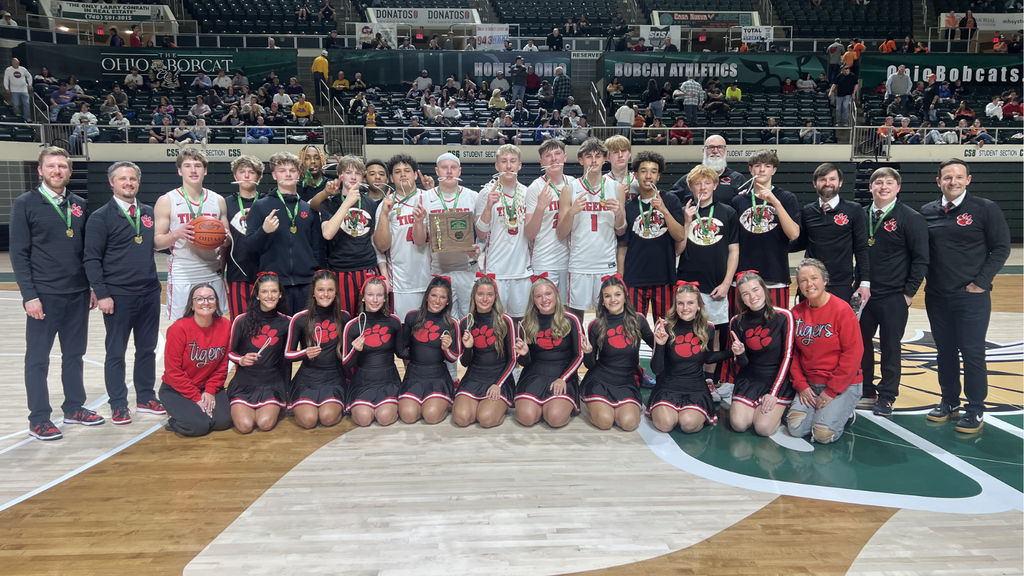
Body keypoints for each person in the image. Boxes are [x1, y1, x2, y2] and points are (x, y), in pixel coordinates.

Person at [11, 147, 102, 440]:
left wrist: (90, 285)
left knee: (74, 355)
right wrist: (29, 294)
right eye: (51, 166)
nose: (57, 171)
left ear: (70, 171)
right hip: (44, 295)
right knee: (38, 359)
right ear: (40, 170)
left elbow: (85, 251)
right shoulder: (25, 203)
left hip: (77, 293)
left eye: (62, 166)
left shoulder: (78, 203)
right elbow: (19, 253)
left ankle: (74, 407)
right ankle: (38, 417)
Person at [921, 159, 1010, 433]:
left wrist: (981, 283)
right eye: (947, 177)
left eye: (959, 176)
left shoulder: (985, 209)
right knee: (944, 352)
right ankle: (949, 402)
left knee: (972, 353)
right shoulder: (927, 212)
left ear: (968, 180)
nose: (953, 182)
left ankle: (975, 409)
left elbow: (1001, 248)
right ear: (939, 182)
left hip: (971, 297)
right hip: (937, 296)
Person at [84, 161, 165, 425]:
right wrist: (102, 293)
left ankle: (145, 396)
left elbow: (157, 243)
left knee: (147, 349)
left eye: (133, 179)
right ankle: (118, 403)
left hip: (150, 292)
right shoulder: (99, 217)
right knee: (116, 352)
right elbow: (91, 259)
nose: (128, 183)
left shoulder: (149, 212)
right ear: (112, 182)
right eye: (123, 179)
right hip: (118, 297)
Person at [857, 168, 928, 416]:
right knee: (860, 345)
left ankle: (887, 395)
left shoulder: (911, 217)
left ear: (898, 188)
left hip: (894, 296)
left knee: (890, 347)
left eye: (889, 182)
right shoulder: (860, 215)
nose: (883, 186)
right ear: (870, 187)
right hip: (863, 296)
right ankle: (866, 389)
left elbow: (921, 259)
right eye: (878, 182)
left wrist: (908, 294)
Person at [787, 259, 864, 444]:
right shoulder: (795, 313)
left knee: (822, 435)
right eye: (803, 280)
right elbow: (793, 354)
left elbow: (853, 353)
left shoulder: (842, 310)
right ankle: (826, 414)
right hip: (810, 385)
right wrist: (801, 385)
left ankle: (845, 414)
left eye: (814, 278)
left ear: (825, 281)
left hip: (841, 384)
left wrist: (832, 391)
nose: (809, 284)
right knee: (795, 429)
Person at [153, 148, 231, 321]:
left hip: (212, 270)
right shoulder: (167, 200)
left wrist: (224, 238)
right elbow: (157, 242)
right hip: (183, 271)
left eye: (198, 166)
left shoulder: (217, 200)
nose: (193, 170)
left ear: (205, 170)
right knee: (181, 324)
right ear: (180, 171)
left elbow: (228, 240)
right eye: (188, 166)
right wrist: (177, 234)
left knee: (216, 322)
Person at [677, 164, 740, 370]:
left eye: (707, 183)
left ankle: (710, 379)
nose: (702, 187)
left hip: (716, 285)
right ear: (690, 186)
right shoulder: (683, 212)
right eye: (697, 183)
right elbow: (678, 250)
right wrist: (686, 223)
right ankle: (687, 373)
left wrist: (726, 283)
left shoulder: (728, 212)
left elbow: (734, 251)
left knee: (713, 332)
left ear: (715, 185)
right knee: (687, 331)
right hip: (687, 282)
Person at [244, 152, 322, 313]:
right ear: (274, 175)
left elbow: (318, 249)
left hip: (306, 283)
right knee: (280, 335)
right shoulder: (260, 206)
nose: (287, 174)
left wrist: (318, 279)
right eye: (282, 170)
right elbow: (249, 246)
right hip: (274, 284)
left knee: (307, 334)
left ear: (299, 175)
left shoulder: (308, 208)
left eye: (292, 170)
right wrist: (264, 231)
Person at [648, 282, 732, 433]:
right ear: (675, 305)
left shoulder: (708, 328)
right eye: (680, 303)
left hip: (696, 388)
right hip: (668, 387)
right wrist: (660, 345)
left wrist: (732, 352)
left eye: (690, 303)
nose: (685, 308)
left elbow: (708, 357)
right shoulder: (665, 327)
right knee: (665, 424)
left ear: (699, 305)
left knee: (688, 424)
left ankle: (689, 412)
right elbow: (657, 369)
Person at [559, 138, 627, 322]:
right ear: (581, 160)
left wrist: (619, 214)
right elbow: (561, 233)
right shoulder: (570, 189)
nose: (594, 160)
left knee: (607, 317)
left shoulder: (616, 187)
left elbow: (621, 231)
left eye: (598, 156)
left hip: (606, 263)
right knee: (575, 318)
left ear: (605, 159)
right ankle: (579, 351)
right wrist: (572, 212)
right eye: (589, 156)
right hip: (579, 263)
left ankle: (604, 351)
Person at [619, 151, 686, 323]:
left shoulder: (670, 201)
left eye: (653, 171)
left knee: (665, 328)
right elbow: (623, 247)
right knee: (633, 328)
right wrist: (620, 278)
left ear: (658, 176)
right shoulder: (629, 207)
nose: (648, 175)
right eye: (643, 171)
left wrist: (664, 210)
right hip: (634, 277)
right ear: (635, 175)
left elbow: (679, 235)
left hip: (664, 277)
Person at [790, 163, 870, 306]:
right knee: (809, 326)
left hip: (840, 283)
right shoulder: (808, 211)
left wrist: (865, 282)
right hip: (811, 282)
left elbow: (861, 248)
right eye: (822, 179)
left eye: (832, 179)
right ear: (815, 183)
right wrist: (774, 245)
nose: (827, 183)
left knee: (838, 327)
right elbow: (802, 242)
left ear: (840, 183)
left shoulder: (854, 210)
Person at [730, 150, 801, 312]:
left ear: (774, 170)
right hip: (743, 276)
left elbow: (794, 234)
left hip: (775, 274)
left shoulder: (786, 198)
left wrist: (775, 203)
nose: (762, 170)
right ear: (751, 170)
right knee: (742, 327)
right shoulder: (738, 200)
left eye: (767, 166)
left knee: (776, 327)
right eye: (757, 166)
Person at [159, 283, 233, 437]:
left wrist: (211, 390)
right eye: (199, 299)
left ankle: (193, 412)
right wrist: (196, 398)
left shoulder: (225, 325)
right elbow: (173, 371)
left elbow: (222, 365)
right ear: (192, 305)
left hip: (206, 386)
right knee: (198, 426)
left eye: (210, 298)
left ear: (216, 302)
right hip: (177, 389)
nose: (205, 303)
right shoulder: (178, 329)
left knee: (224, 422)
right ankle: (174, 419)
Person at [727, 271, 796, 435]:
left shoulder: (784, 316)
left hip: (776, 380)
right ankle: (759, 407)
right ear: (741, 298)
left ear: (764, 290)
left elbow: (788, 357)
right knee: (739, 424)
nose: (752, 297)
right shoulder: (736, 322)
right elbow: (741, 364)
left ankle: (782, 409)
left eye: (755, 290)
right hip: (749, 378)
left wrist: (774, 393)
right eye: (746, 293)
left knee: (762, 428)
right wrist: (741, 353)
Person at [581, 274, 654, 430]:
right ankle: (596, 406)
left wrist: (662, 341)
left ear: (625, 297)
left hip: (626, 380)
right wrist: (588, 352)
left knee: (628, 424)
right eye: (607, 296)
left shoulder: (638, 320)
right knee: (605, 422)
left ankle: (613, 407)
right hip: (600, 379)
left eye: (617, 294)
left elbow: (656, 346)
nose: (613, 300)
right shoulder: (596, 325)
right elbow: (590, 365)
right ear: (602, 301)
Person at [513, 275, 584, 427]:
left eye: (548, 294)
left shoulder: (571, 319)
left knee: (554, 418)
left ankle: (554, 406)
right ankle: (541, 406)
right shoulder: (525, 323)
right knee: (526, 418)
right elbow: (524, 362)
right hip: (534, 373)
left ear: (556, 295)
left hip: (562, 373)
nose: (544, 300)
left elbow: (579, 355)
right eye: (538, 296)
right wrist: (524, 354)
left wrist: (563, 378)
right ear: (533, 300)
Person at [227, 272, 291, 433]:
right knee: (245, 426)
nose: (270, 296)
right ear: (257, 295)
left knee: (265, 424)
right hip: (244, 383)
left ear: (280, 294)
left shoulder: (287, 323)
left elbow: (286, 360)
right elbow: (230, 352)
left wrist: (286, 388)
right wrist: (241, 360)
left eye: (274, 291)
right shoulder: (241, 321)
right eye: (264, 291)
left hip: (271, 383)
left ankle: (273, 404)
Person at [474, 145, 533, 320]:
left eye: (513, 161)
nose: (508, 166)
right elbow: (481, 233)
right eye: (504, 162)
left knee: (520, 322)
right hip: (495, 270)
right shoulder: (486, 193)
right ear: (497, 166)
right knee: (494, 321)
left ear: (519, 165)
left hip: (522, 270)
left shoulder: (528, 193)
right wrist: (488, 207)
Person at [286, 270, 349, 428]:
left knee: (327, 418)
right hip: (307, 378)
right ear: (313, 292)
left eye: (330, 290)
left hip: (334, 378)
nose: (325, 294)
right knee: (308, 421)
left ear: (336, 293)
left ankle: (338, 403)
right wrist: (304, 353)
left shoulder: (345, 317)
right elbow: (287, 354)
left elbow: (350, 356)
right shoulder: (300, 319)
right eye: (320, 290)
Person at [341, 275, 407, 426]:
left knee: (384, 418)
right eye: (370, 295)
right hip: (363, 381)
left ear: (385, 298)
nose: (375, 300)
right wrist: (355, 350)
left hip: (388, 379)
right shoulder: (352, 326)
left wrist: (430, 349)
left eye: (379, 295)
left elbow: (401, 353)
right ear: (363, 297)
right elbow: (346, 363)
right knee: (364, 419)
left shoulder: (393, 321)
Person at [373, 154, 433, 319]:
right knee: (405, 330)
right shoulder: (385, 205)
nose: (403, 174)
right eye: (398, 172)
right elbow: (381, 246)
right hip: (401, 281)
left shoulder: (429, 198)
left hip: (431, 277)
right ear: (391, 178)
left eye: (407, 170)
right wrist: (385, 214)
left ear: (415, 174)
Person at [452, 275, 516, 427]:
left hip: (499, 377)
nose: (485, 299)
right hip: (474, 376)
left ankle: (499, 407)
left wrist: (498, 384)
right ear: (473, 296)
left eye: (489, 295)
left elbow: (513, 359)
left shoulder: (505, 321)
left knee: (486, 419)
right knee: (461, 419)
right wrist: (468, 348)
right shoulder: (465, 322)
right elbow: (465, 362)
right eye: (480, 294)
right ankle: (482, 405)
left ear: (495, 297)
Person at [422, 153, 479, 318]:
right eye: (444, 168)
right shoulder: (425, 197)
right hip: (439, 269)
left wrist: (478, 249)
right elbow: (420, 238)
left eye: (453, 168)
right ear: (436, 171)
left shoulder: (473, 197)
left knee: (469, 316)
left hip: (468, 268)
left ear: (459, 171)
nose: (449, 172)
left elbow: (483, 235)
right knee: (445, 318)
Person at [398, 276, 460, 424]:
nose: (437, 301)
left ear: (448, 301)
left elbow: (453, 357)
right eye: (434, 295)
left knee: (431, 416)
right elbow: (404, 347)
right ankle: (421, 401)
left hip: (437, 376)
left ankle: (443, 401)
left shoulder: (451, 323)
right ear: (426, 297)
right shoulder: (412, 317)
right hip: (414, 374)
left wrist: (446, 348)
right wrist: (408, 367)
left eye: (442, 297)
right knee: (408, 416)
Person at [524, 140, 575, 298]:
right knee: (544, 312)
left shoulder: (575, 184)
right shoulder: (536, 188)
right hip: (545, 260)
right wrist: (540, 207)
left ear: (565, 157)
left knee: (569, 312)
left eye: (557, 154)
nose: (554, 159)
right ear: (541, 162)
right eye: (548, 156)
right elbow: (529, 233)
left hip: (572, 260)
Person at [223, 156, 262, 318]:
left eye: (251, 172)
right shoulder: (225, 203)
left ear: (258, 177)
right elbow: (223, 244)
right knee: (240, 323)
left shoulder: (267, 202)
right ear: (235, 176)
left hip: (265, 271)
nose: (246, 176)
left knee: (267, 322)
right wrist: (221, 274)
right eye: (242, 172)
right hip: (237, 272)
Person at [669, 135, 747, 205]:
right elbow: (670, 201)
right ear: (704, 151)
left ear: (725, 151)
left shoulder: (738, 179)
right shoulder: (690, 178)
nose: (715, 151)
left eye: (720, 147)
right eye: (711, 147)